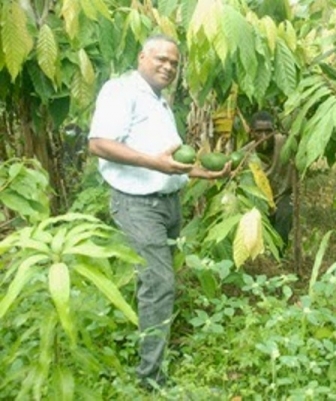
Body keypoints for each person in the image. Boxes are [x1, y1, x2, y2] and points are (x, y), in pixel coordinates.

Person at [88, 34, 230, 389]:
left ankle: (149, 348)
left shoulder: (160, 102)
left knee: (154, 281)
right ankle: (149, 377)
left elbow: (170, 162)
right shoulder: (120, 91)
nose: (168, 66)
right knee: (159, 282)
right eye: (161, 59)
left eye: (174, 63)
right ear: (141, 57)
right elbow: (98, 144)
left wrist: (203, 172)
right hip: (138, 205)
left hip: (168, 204)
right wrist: (155, 163)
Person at [247, 111, 294, 250]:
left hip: (285, 195)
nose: (264, 137)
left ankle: (280, 256)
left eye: (268, 132)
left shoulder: (285, 143)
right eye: (259, 132)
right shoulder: (246, 155)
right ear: (251, 133)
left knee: (284, 215)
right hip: (261, 200)